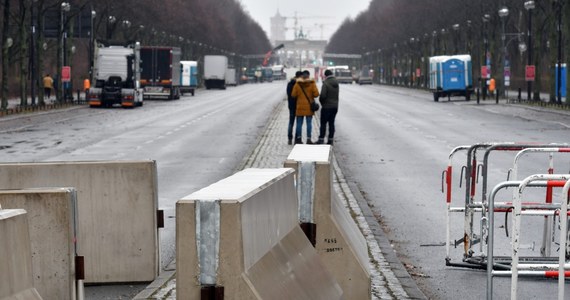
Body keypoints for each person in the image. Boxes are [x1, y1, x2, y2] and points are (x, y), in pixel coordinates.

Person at [291, 70, 319, 144]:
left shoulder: (297, 84)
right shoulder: (312, 83)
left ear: (302, 76)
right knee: (309, 123)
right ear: (308, 76)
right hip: (309, 107)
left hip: (299, 107)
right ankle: (308, 139)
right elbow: (316, 94)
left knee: (299, 123)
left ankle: (299, 139)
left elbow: (293, 95)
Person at [317, 69, 339, 145]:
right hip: (335, 107)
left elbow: (323, 95)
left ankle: (321, 139)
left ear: (325, 75)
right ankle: (330, 140)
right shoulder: (336, 83)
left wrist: (322, 103)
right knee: (331, 123)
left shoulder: (326, 83)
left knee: (323, 123)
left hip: (326, 106)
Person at [286, 71, 302, 145]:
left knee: (291, 122)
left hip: (291, 105)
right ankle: (297, 139)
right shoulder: (300, 84)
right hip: (298, 105)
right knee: (299, 123)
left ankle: (289, 138)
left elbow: (288, 94)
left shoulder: (290, 83)